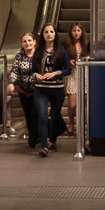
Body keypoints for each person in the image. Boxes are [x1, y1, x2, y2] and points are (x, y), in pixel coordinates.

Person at [33, 22, 71, 157]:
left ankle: (52, 141)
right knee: (42, 117)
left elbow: (68, 69)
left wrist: (56, 73)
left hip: (57, 89)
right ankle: (44, 146)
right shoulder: (37, 51)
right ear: (42, 35)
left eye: (51, 32)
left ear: (55, 34)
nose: (49, 34)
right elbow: (32, 70)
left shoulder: (61, 50)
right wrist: (36, 75)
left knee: (55, 116)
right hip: (41, 89)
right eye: (46, 32)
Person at [5, 32, 39, 147]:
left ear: (34, 42)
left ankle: (34, 137)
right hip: (24, 91)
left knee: (36, 114)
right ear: (21, 44)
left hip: (38, 91)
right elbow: (15, 71)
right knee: (28, 115)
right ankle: (33, 135)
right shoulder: (19, 57)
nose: (27, 43)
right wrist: (11, 83)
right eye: (24, 41)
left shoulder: (39, 55)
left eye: (29, 40)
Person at [64, 22, 90, 133]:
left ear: (82, 32)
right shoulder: (66, 45)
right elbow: (61, 58)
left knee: (85, 103)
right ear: (70, 32)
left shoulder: (86, 45)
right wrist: (68, 62)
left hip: (84, 73)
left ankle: (83, 125)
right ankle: (71, 123)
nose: (76, 33)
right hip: (72, 74)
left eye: (78, 30)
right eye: (74, 30)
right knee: (72, 104)